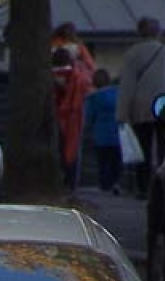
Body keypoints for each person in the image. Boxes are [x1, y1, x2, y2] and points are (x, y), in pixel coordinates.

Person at [116, 16, 165, 198]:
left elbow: (127, 85)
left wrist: (122, 113)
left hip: (141, 107)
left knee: (143, 150)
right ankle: (164, 185)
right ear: (158, 32)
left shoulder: (132, 54)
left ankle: (143, 187)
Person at [52, 46, 92, 192]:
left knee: (57, 150)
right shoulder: (77, 77)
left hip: (54, 118)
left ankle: (59, 181)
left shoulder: (47, 77)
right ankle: (71, 184)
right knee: (73, 151)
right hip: (73, 119)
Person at [84, 68, 122, 193]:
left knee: (103, 161)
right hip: (117, 133)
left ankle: (105, 184)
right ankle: (117, 182)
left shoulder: (94, 97)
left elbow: (89, 116)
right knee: (116, 160)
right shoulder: (118, 93)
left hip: (100, 134)